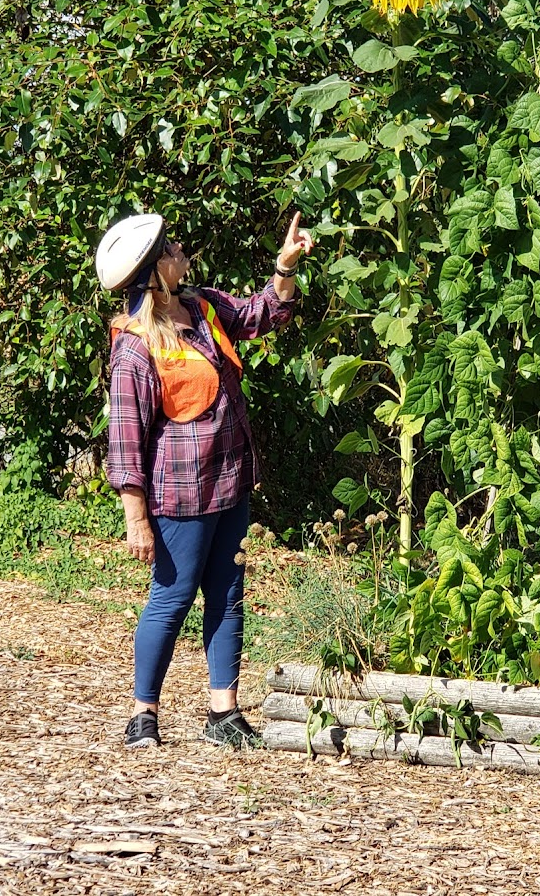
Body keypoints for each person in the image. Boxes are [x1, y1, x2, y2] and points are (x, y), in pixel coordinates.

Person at [95, 211, 314, 749]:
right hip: (181, 496)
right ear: (152, 275)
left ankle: (224, 713)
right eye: (169, 248)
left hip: (229, 480)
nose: (179, 250)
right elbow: (125, 441)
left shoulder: (204, 307)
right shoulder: (135, 348)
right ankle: (144, 714)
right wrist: (136, 519)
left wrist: (283, 267)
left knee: (228, 593)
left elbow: (265, 313)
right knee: (171, 598)